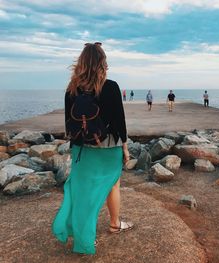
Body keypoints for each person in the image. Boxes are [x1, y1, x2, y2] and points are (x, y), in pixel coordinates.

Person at [52, 42, 133, 255]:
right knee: (112, 185)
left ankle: (81, 232)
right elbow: (119, 122)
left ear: (81, 63)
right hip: (108, 147)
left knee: (82, 193)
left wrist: (77, 145)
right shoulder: (111, 86)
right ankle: (115, 224)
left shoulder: (72, 89)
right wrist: (125, 147)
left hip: (82, 150)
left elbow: (69, 124)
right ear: (102, 63)